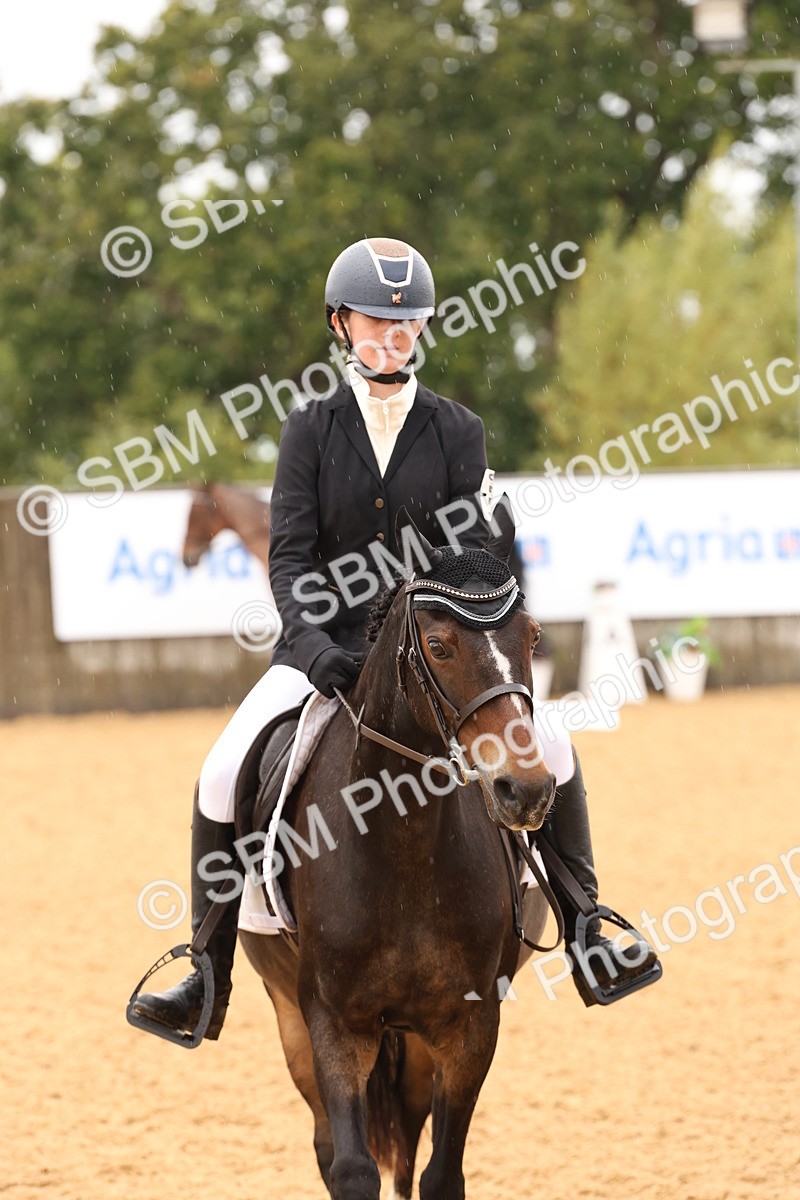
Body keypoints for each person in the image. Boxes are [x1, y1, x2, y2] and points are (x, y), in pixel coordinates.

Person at [133, 236, 656, 1041]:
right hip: (326, 654)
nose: (392, 336)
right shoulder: (310, 429)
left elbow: (477, 556)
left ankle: (589, 927)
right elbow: (294, 559)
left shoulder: (458, 430)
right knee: (219, 771)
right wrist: (314, 650)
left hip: (440, 656)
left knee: (551, 748)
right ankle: (206, 974)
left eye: (406, 322)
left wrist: (470, 625)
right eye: (375, 322)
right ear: (341, 326)